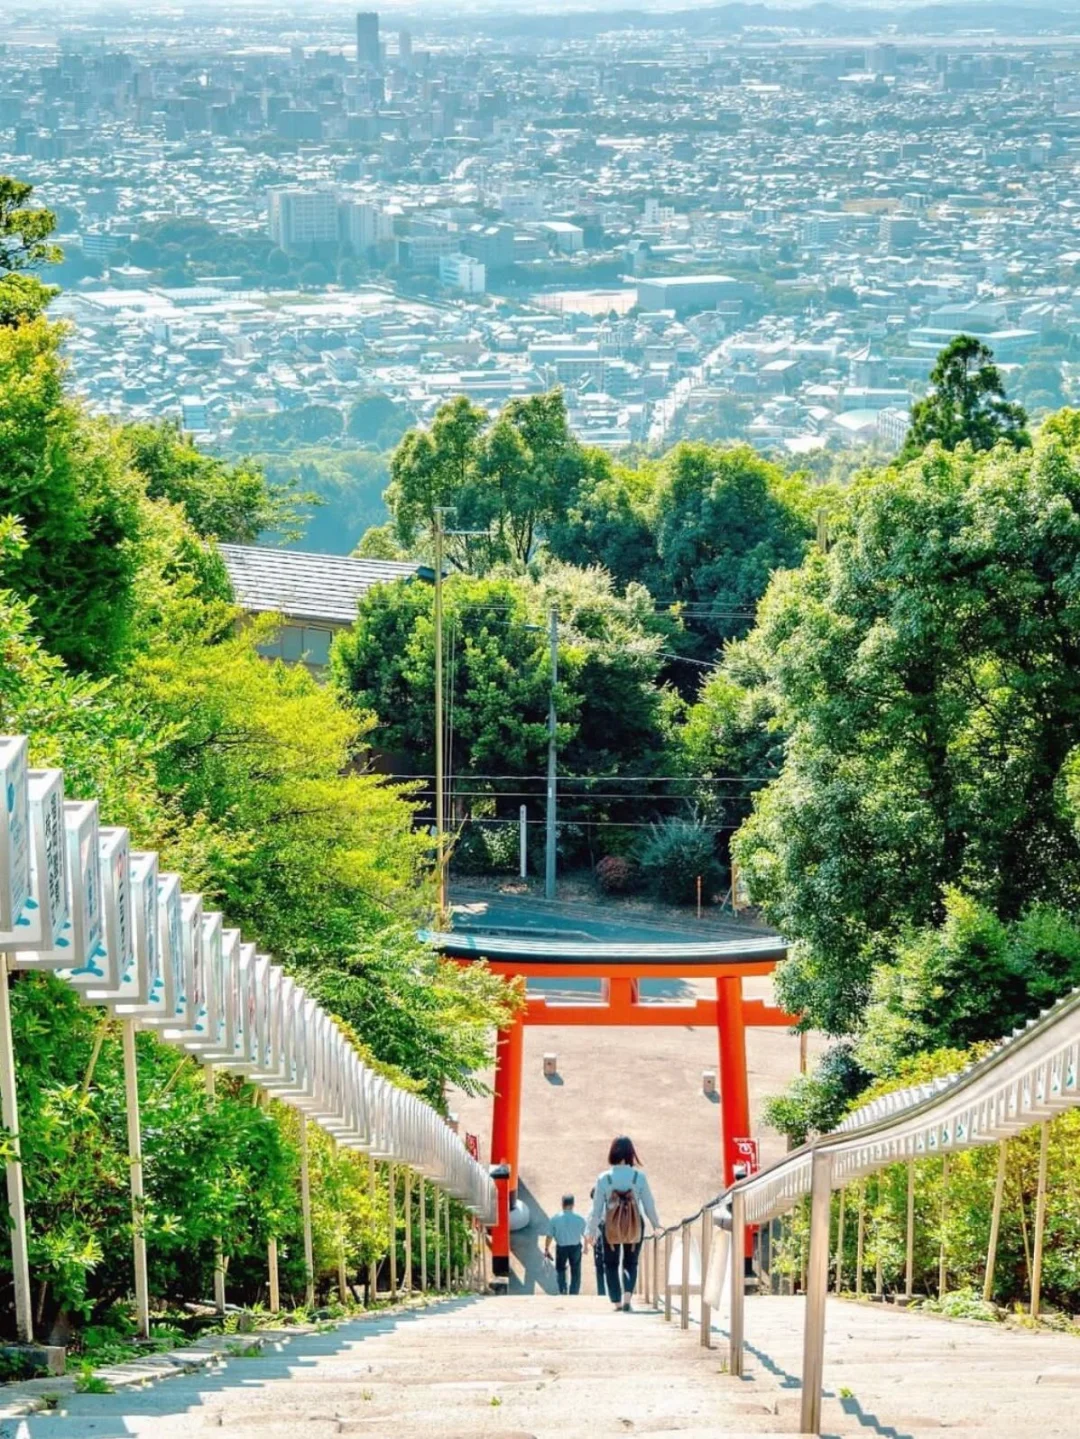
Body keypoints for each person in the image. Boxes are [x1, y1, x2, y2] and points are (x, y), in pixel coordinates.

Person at [588, 1136, 660, 1312]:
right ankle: (628, 1297)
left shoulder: (604, 1178)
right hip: (635, 1225)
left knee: (610, 1264)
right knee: (631, 1262)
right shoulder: (639, 1177)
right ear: (631, 1154)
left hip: (610, 1227)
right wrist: (657, 1225)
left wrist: (590, 1231)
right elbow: (649, 1203)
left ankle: (617, 1302)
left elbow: (596, 1208)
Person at [543, 1193, 588, 1295]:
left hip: (561, 1248)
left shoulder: (554, 1219)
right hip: (575, 1248)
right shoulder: (580, 1219)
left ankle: (562, 1290)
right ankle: (574, 1293)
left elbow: (549, 1236)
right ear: (573, 1205)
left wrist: (546, 1248)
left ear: (562, 1204)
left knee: (560, 1269)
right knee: (576, 1271)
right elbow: (586, 1235)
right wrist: (585, 1247)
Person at [589, 1186, 606, 1297]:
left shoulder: (593, 1210)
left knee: (600, 1268)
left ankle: (601, 1293)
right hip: (610, 1240)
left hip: (600, 1241)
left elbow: (590, 1227)